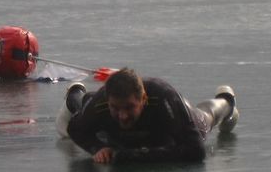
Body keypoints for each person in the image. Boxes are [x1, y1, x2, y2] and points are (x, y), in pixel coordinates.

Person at [58, 67, 238, 164]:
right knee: (88, 108)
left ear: (143, 99)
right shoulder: (102, 101)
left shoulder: (164, 97)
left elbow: (196, 151)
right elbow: (74, 129)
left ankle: (226, 100)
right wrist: (97, 148)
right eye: (116, 108)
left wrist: (132, 156)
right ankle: (75, 93)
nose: (123, 115)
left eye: (129, 107)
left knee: (206, 117)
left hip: (167, 127)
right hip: (116, 131)